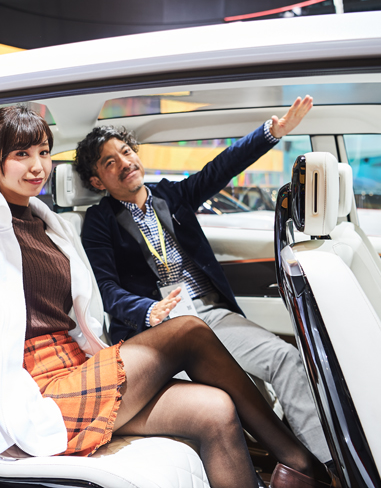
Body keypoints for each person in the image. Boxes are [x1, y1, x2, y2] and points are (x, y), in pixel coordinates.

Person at [0, 105, 336, 488]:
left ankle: (295, 465)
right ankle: (299, 461)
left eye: (43, 152)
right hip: (39, 388)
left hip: (79, 366)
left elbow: (87, 309)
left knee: (216, 409)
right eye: (21, 155)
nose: (37, 166)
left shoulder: (49, 224)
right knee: (189, 330)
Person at [75, 96, 331, 463]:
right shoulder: (99, 223)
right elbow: (107, 290)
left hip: (211, 314)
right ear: (97, 180)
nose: (125, 162)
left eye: (126, 152)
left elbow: (220, 169)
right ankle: (298, 463)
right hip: (161, 330)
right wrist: (148, 310)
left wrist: (271, 133)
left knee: (282, 362)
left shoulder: (171, 195)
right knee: (243, 389)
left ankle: (319, 463)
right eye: (110, 162)